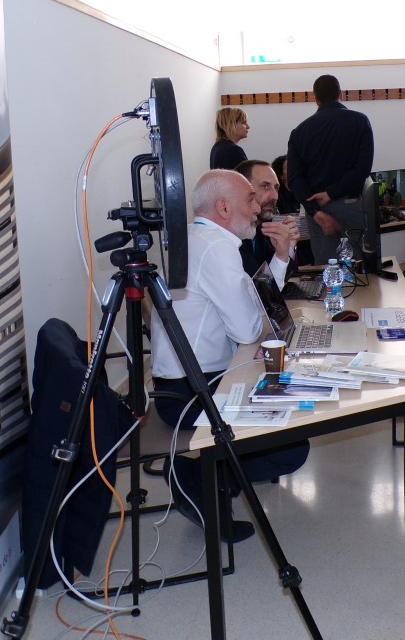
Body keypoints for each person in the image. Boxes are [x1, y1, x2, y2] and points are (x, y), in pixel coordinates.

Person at [150, 169, 309, 543]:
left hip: (185, 382)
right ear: (223, 207)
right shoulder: (217, 250)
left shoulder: (198, 238)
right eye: (250, 199)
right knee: (292, 449)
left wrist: (281, 256)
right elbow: (248, 330)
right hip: (191, 395)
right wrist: (263, 317)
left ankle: (211, 477)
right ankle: (199, 476)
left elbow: (253, 307)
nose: (258, 208)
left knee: (281, 384)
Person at [286, 74, 375, 264]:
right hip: (351, 207)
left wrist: (315, 211)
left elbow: (294, 179)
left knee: (326, 272)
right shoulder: (359, 122)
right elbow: (362, 170)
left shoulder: (299, 132)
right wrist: (331, 192)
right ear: (340, 94)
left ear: (315, 99)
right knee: (356, 271)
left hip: (317, 211)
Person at [234, 159, 298, 281]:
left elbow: (284, 281)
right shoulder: (232, 234)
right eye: (265, 186)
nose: (275, 196)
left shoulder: (261, 229)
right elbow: (259, 290)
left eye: (276, 188)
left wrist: (287, 247)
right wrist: (281, 254)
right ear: (241, 189)